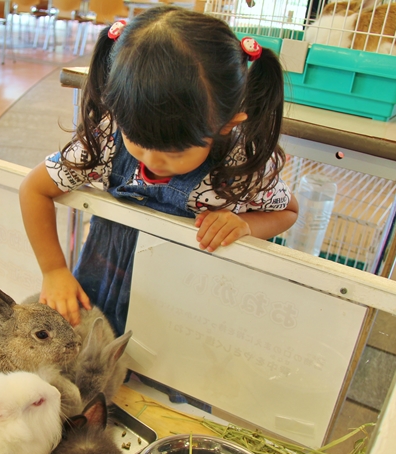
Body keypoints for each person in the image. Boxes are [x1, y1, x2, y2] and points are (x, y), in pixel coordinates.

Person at [19, 6, 298, 337]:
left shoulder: (238, 164)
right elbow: (33, 189)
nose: (151, 159)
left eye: (175, 152)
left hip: (188, 307)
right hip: (101, 286)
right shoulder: (108, 138)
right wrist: (53, 270)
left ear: (227, 125)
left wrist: (244, 224)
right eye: (135, 139)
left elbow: (288, 211)